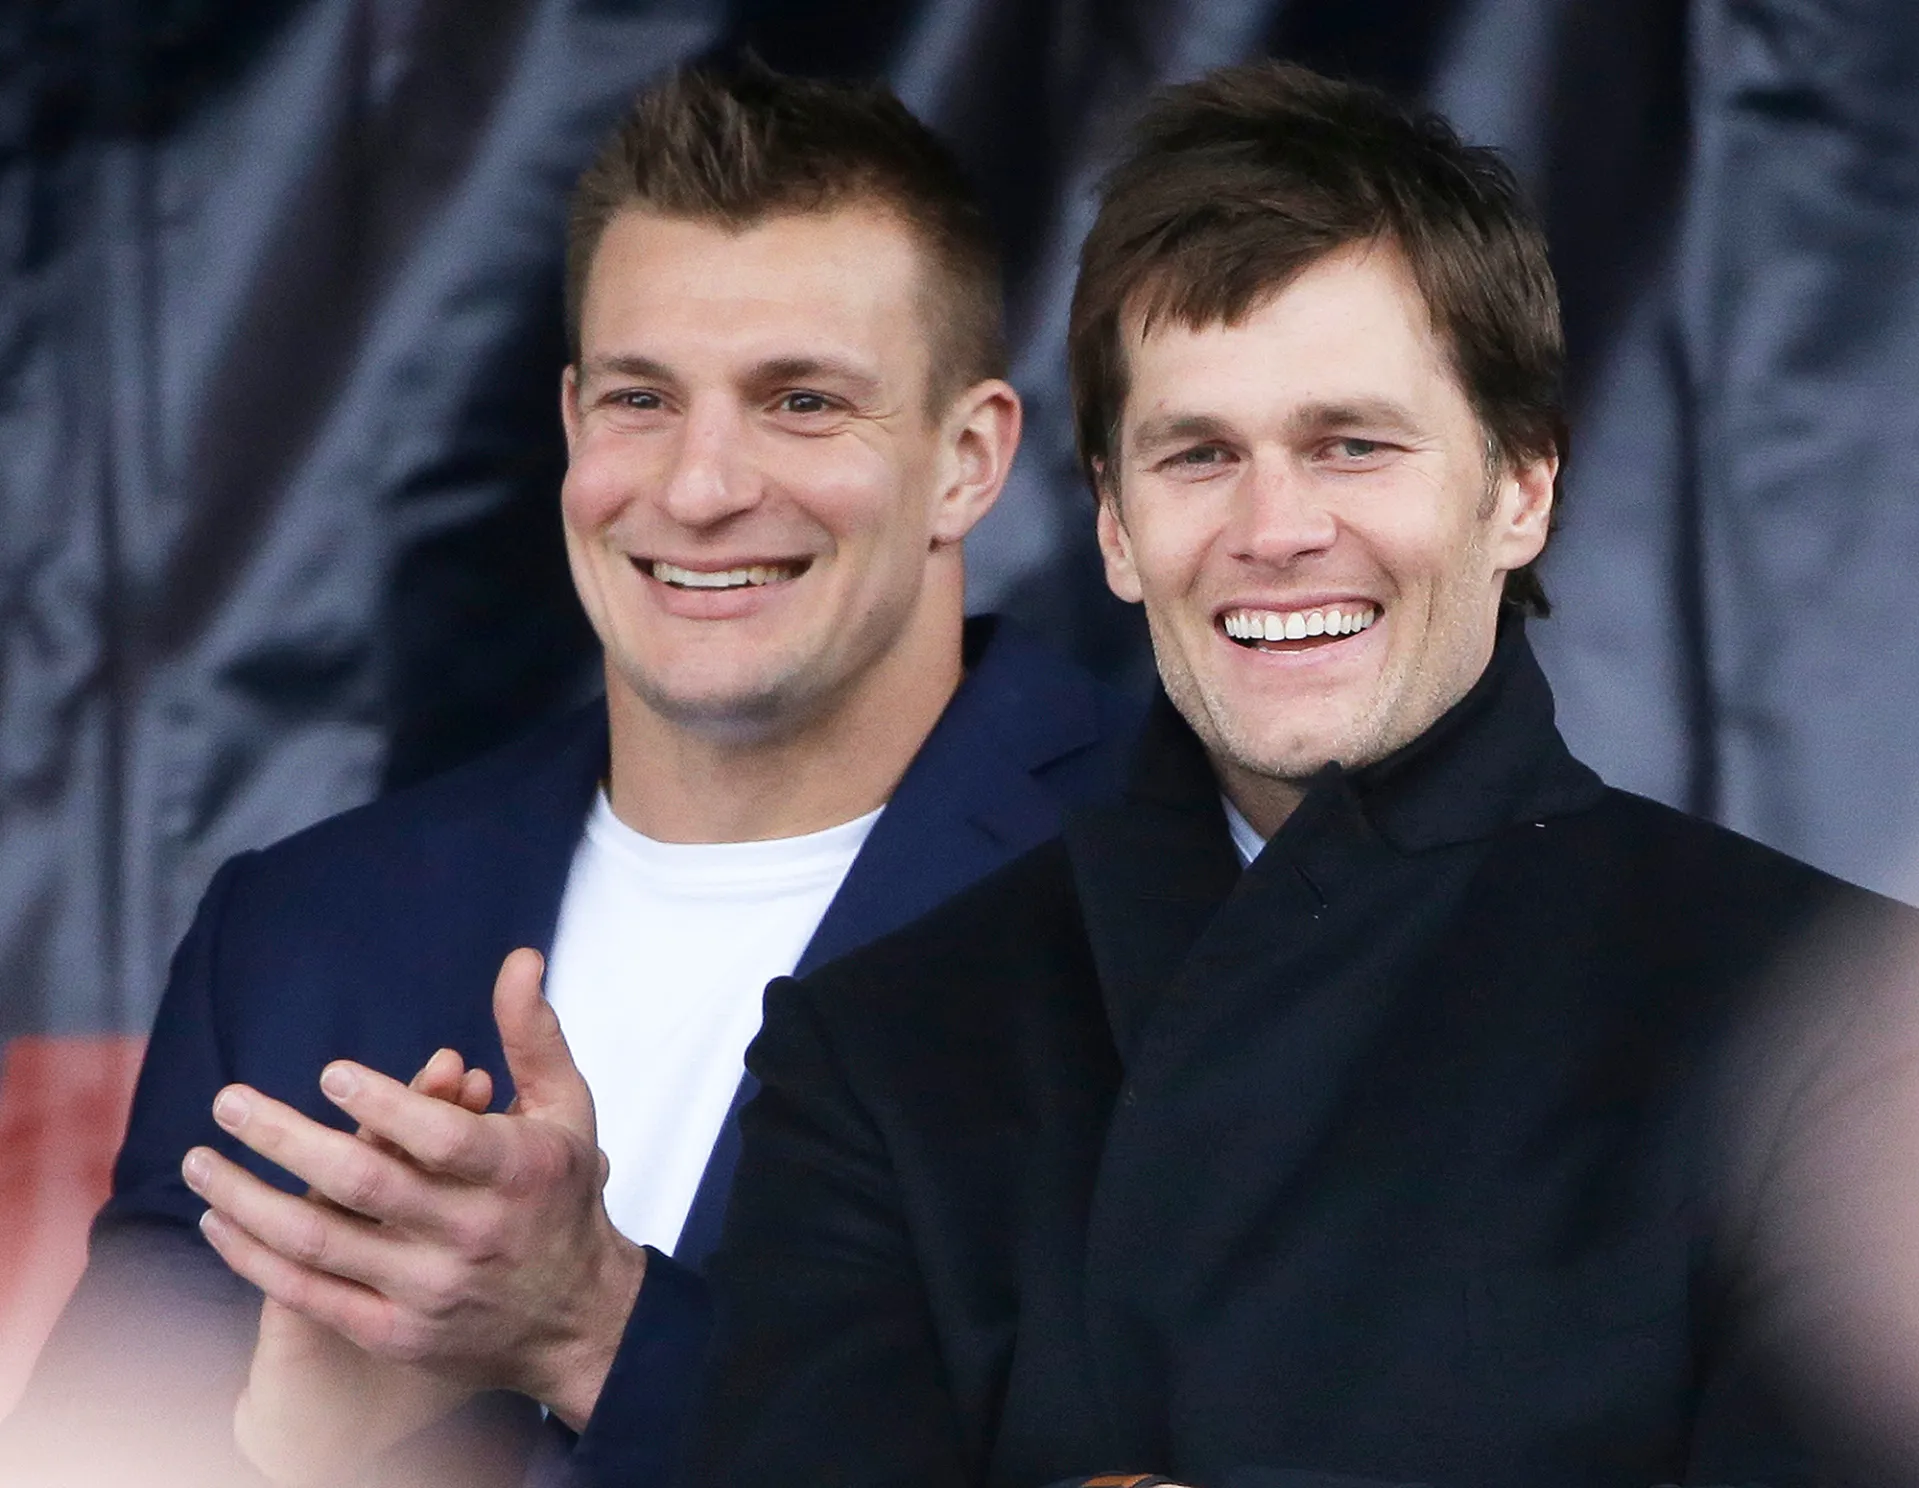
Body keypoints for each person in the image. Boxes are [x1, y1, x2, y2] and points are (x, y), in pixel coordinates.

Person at [679, 60, 1911, 1488]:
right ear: (1115, 527)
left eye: (1352, 445)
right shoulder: (885, 1053)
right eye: (1198, 454)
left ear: (1520, 488)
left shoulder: (1822, 1032)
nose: (1274, 530)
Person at [0, 64, 1138, 1488]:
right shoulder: (302, 928)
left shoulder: (1188, 882)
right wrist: (278, 1454)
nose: (701, 486)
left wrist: (595, 1331)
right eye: (641, 398)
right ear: (570, 423)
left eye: (799, 401)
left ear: (967, 460)